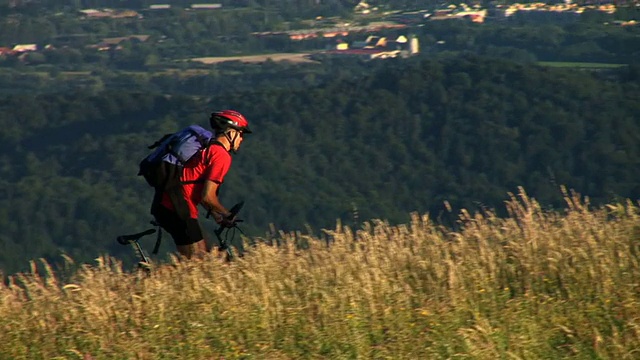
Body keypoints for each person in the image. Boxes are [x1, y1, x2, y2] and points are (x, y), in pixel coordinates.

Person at [151, 109, 252, 258]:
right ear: (231, 133)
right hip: (177, 206)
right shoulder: (221, 155)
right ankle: (148, 278)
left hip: (168, 203)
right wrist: (227, 213)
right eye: (241, 133)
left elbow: (193, 185)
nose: (241, 139)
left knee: (206, 254)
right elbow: (208, 197)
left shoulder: (207, 149)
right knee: (197, 261)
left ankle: (152, 275)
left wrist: (217, 215)